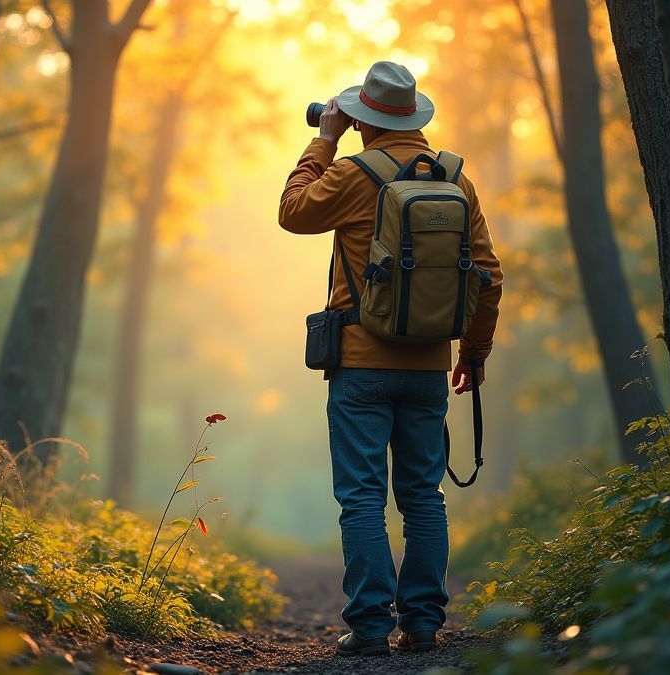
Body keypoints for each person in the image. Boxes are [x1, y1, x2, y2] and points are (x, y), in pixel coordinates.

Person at [278, 61, 503, 656]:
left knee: (361, 497)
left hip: (361, 363)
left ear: (363, 120)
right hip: (430, 366)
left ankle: (372, 628)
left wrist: (324, 139)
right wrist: (472, 355)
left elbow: (292, 211)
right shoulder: (456, 178)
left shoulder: (352, 172)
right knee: (424, 495)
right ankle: (425, 624)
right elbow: (490, 277)